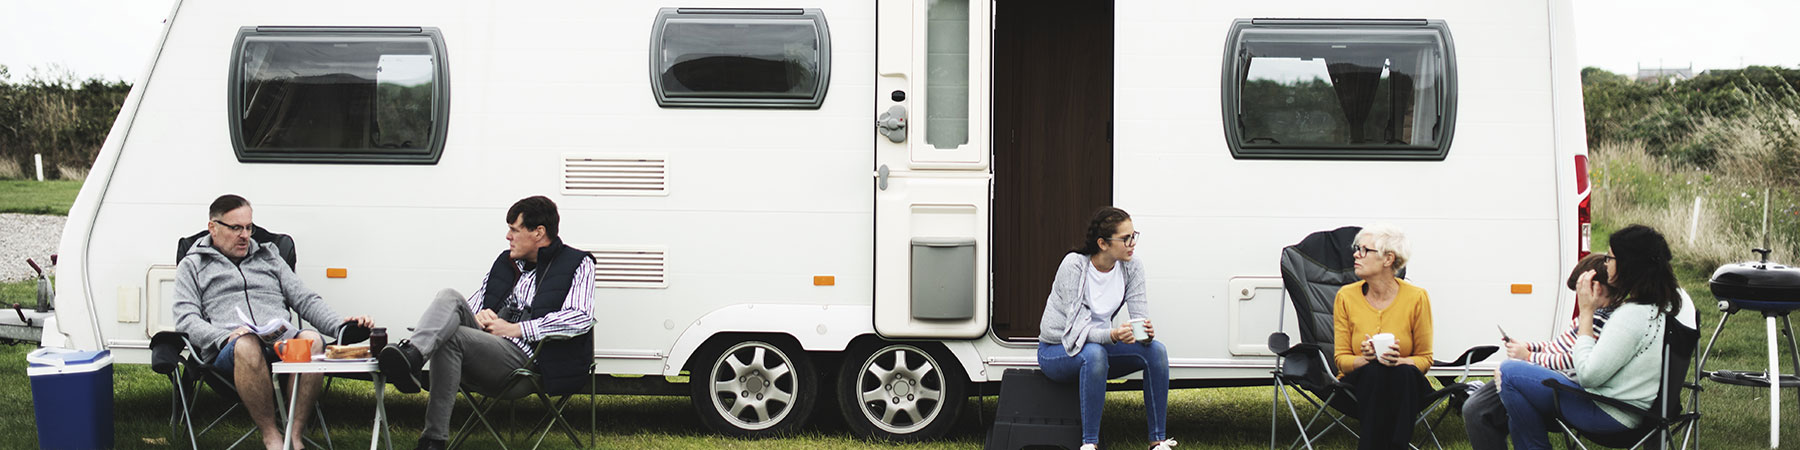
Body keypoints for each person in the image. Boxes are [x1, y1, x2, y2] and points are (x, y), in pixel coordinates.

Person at [378, 196, 595, 450]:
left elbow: (580, 317)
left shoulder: (578, 264)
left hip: (527, 361)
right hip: (486, 347)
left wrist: (517, 328)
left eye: (514, 230)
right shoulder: (506, 263)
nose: (507, 236)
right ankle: (413, 357)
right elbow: (469, 306)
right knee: (449, 296)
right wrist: (479, 315)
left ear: (539, 232)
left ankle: (432, 439)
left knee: (453, 338)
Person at [171, 194, 375, 450]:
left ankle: (294, 434)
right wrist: (223, 337)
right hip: (231, 351)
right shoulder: (193, 264)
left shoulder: (269, 256)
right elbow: (186, 318)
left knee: (312, 340)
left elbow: (305, 299)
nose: (245, 235)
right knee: (246, 344)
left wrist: (341, 326)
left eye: (248, 227)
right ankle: (271, 436)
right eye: (236, 228)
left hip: (280, 345)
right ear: (213, 227)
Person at [1498, 224, 1682, 450]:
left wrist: (1586, 310)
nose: (1606, 263)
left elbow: (1587, 376)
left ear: (1627, 265)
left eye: (1610, 258)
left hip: (1608, 412)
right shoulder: (1657, 306)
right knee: (1519, 391)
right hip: (1626, 408)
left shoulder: (1630, 317)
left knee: (1509, 373)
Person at [1035, 207, 1177, 450]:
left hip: (1097, 348)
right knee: (1094, 353)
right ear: (1103, 243)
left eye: (1134, 235)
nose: (1133, 243)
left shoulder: (1131, 266)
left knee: (1156, 351)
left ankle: (1158, 441)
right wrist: (1112, 335)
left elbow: (1139, 316)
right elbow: (1075, 333)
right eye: (1125, 238)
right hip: (1058, 350)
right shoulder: (1074, 266)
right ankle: (1090, 444)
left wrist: (1144, 333)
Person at [1463, 253, 1615, 450]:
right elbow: (1558, 346)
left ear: (1596, 288)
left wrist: (1528, 357)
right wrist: (1529, 347)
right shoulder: (1588, 316)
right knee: (1475, 408)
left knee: (1482, 404)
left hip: (1557, 386)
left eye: (1580, 290)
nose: (1579, 297)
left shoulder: (1601, 321)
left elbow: (1576, 360)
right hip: (1542, 376)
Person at [1331, 224, 1432, 450]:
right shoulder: (1346, 296)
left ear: (1388, 259)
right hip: (1358, 383)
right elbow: (1341, 359)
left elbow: (1425, 360)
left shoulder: (1417, 297)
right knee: (1375, 371)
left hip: (1405, 382)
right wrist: (1366, 359)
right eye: (1357, 249)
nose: (1356, 254)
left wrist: (1399, 360)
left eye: (1364, 250)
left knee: (1403, 372)